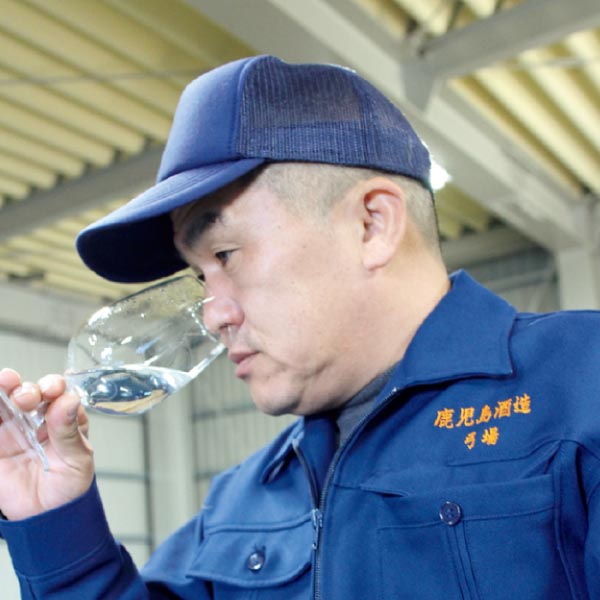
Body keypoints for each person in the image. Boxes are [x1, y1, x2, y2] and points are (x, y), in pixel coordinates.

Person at [0, 54, 598, 599]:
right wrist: (57, 528)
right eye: (199, 275)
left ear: (371, 224)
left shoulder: (582, 389)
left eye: (226, 255)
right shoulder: (241, 500)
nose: (213, 312)